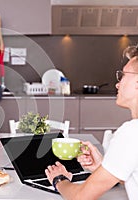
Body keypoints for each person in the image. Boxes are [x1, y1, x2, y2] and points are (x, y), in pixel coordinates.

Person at [45, 47, 138, 200]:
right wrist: (102, 166)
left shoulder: (131, 133)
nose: (117, 84)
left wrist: (59, 179)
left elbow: (80, 196)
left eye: (123, 76)